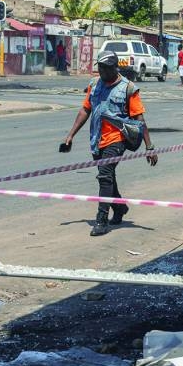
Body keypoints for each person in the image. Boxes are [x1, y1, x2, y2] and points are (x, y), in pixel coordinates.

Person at [63, 50, 157, 236]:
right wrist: (70, 135)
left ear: (115, 68)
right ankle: (120, 208)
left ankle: (102, 219)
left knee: (105, 175)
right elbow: (85, 110)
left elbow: (140, 119)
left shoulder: (128, 88)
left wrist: (149, 147)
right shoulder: (94, 85)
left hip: (117, 139)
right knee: (108, 176)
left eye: (106, 69)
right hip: (97, 139)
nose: (103, 72)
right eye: (100, 68)